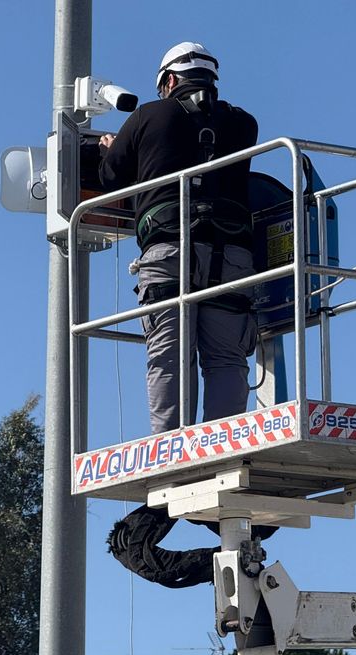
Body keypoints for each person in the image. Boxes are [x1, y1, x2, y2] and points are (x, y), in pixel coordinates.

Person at [99, 41, 260, 434]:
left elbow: (110, 176)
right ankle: (222, 449)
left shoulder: (147, 116)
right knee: (227, 358)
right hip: (231, 255)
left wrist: (114, 148)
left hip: (168, 252)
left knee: (169, 358)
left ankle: (170, 450)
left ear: (169, 80)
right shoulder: (244, 124)